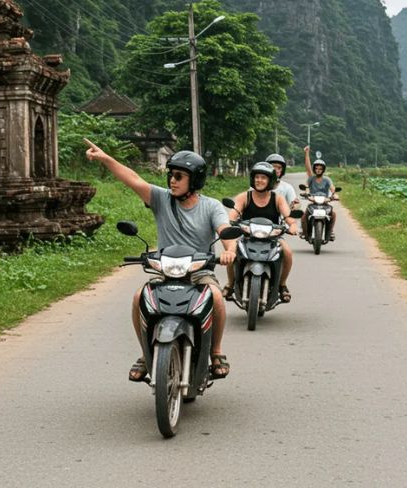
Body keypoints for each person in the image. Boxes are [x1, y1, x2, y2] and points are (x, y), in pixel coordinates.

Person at [84, 140, 235, 381]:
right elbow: (133, 179)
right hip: (166, 269)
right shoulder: (161, 199)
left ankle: (216, 352)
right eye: (171, 175)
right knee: (138, 297)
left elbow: (225, 229)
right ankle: (146, 353)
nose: (172, 180)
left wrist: (230, 250)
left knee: (216, 296)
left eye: (179, 176)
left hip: (198, 270)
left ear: (194, 180)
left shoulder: (211, 206)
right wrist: (105, 158)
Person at [224, 161, 299, 303]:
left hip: (273, 238)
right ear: (253, 179)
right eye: (257, 177)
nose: (259, 180)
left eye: (263, 178)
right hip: (247, 236)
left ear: (270, 180)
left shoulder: (277, 198)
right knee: (231, 250)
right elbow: (233, 212)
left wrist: (293, 225)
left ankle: (282, 285)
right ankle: (230, 284)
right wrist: (231, 221)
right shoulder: (244, 197)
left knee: (287, 252)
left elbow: (288, 216)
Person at [302, 145, 338, 241]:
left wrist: (334, 194)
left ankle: (330, 232)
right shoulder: (311, 178)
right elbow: (306, 186)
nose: (318, 170)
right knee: (304, 216)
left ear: (323, 170)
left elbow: (332, 188)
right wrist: (306, 193)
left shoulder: (327, 179)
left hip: (325, 202)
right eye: (316, 168)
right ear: (314, 169)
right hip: (313, 201)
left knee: (333, 214)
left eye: (320, 168)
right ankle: (305, 232)